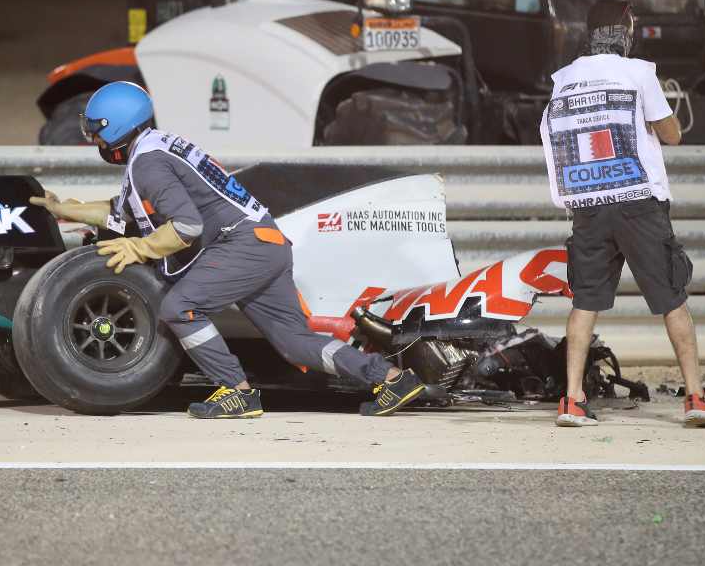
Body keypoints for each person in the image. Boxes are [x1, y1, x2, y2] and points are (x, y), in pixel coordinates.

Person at [31, 81, 427, 419]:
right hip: (265, 241)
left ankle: (235, 390)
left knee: (179, 307)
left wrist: (141, 247)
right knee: (294, 342)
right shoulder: (156, 149)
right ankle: (392, 379)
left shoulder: (147, 163)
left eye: (97, 130)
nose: (94, 140)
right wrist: (64, 207)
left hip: (245, 244)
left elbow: (186, 227)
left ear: (117, 126)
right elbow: (121, 213)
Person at [539, 0, 705, 428]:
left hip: (587, 205)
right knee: (672, 299)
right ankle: (695, 397)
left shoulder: (563, 80)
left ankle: (572, 399)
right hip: (638, 202)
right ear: (623, 32)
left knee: (584, 302)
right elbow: (671, 134)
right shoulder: (639, 72)